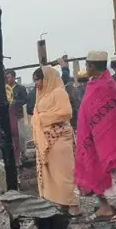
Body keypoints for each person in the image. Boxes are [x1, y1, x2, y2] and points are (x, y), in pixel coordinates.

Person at [75, 50, 116, 222]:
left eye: (87, 65)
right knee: (93, 167)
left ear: (91, 66)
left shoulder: (107, 85)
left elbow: (112, 114)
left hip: (109, 139)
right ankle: (104, 206)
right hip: (92, 137)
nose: (86, 68)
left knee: (115, 169)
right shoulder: (92, 83)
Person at [30, 66, 81, 214]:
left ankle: (73, 205)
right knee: (51, 174)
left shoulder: (59, 92)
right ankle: (60, 203)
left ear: (47, 79)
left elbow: (66, 113)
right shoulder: (41, 94)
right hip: (46, 139)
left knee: (64, 172)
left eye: (38, 79)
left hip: (59, 137)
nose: (36, 84)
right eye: (34, 80)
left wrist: (41, 119)